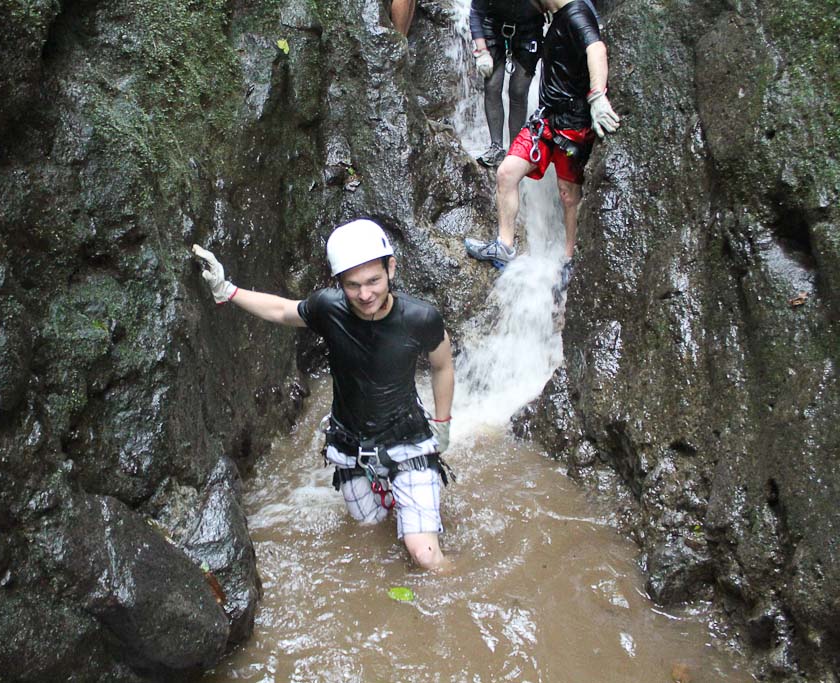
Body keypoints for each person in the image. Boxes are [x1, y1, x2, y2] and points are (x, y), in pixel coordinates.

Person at [191, 219, 455, 570]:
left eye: (374, 281)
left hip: (407, 439)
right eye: (353, 285)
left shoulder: (421, 318)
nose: (365, 295)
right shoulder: (329, 309)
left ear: (391, 267)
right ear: (339, 284)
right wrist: (228, 290)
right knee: (367, 533)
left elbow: (443, 367)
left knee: (423, 554)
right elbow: (284, 311)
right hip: (350, 446)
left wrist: (442, 422)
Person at [465, 0, 620, 286]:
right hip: (545, 119)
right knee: (506, 173)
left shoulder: (576, 12)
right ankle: (505, 245)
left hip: (572, 122)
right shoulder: (558, 15)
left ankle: (569, 258)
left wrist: (598, 97)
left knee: (568, 194)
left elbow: (596, 48)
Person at [469, 0, 546, 167]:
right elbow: (476, 12)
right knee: (492, 85)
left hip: (530, 29)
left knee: (518, 91)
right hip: (493, 26)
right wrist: (482, 51)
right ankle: (495, 146)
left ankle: (515, 149)